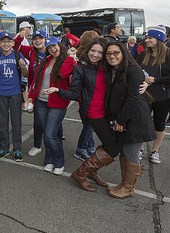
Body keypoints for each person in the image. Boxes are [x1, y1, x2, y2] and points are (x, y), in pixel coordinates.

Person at [45, 38, 114, 191]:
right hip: (92, 111)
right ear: (87, 50)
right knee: (111, 145)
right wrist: (58, 90)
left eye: (99, 52)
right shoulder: (81, 68)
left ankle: (90, 171)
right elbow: (75, 92)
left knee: (108, 144)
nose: (95, 55)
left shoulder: (109, 67)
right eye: (92, 51)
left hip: (108, 111)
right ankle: (82, 173)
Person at [94, 42, 155, 198]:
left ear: (123, 53)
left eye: (116, 53)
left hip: (134, 118)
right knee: (125, 150)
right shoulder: (113, 70)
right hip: (123, 118)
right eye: (108, 54)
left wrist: (121, 120)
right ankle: (124, 184)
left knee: (131, 152)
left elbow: (133, 98)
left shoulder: (133, 70)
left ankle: (128, 188)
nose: (112, 56)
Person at [137, 26, 170, 164]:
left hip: (164, 95)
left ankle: (155, 151)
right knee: (142, 121)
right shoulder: (143, 54)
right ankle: (140, 148)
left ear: (159, 39)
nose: (147, 40)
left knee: (159, 123)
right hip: (144, 94)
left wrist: (155, 80)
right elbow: (136, 70)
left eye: (150, 38)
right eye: (146, 38)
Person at [30, 37, 75, 174]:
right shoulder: (46, 60)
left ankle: (59, 161)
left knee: (50, 134)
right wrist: (31, 97)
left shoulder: (68, 60)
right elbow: (37, 79)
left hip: (57, 102)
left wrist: (69, 57)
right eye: (49, 48)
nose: (52, 49)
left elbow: (64, 73)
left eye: (54, 46)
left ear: (60, 45)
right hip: (41, 101)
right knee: (49, 133)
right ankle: (49, 159)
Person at [0, 32, 28, 161]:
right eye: (3, 42)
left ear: (13, 43)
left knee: (16, 122)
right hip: (0, 93)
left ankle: (17, 149)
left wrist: (23, 66)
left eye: (9, 41)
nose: (6, 44)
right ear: (0, 43)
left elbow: (25, 74)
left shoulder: (17, 55)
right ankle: (4, 147)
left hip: (15, 93)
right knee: (2, 122)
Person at [15, 29, 49, 156]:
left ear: (45, 39)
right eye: (35, 39)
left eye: (40, 38)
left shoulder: (53, 51)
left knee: (53, 120)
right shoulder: (31, 51)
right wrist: (20, 37)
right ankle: (37, 145)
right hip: (37, 92)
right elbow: (16, 47)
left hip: (52, 92)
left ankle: (54, 142)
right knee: (38, 120)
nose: (38, 41)